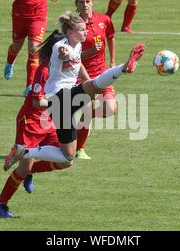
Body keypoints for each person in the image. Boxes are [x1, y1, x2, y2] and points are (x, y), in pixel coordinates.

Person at [4, 11, 145, 175]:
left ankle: (24, 152)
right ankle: (123, 68)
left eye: (85, 29)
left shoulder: (78, 45)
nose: (86, 32)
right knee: (95, 86)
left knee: (68, 156)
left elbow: (77, 60)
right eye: (81, 30)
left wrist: (84, 75)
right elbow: (65, 53)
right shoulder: (61, 46)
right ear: (70, 32)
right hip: (58, 97)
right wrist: (66, 54)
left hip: (64, 103)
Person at [0, 31, 74, 218]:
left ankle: (30, 171)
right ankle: (1, 203)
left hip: (50, 120)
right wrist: (60, 99)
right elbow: (37, 102)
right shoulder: (44, 70)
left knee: (67, 160)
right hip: (30, 122)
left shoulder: (65, 67)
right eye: (64, 46)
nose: (67, 50)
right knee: (23, 168)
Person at [75, 0, 117, 159]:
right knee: (86, 108)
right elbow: (72, 56)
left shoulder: (104, 20)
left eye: (88, 1)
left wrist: (112, 61)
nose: (85, 5)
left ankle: (85, 117)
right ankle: (80, 149)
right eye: (81, 2)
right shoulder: (73, 26)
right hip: (81, 75)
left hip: (102, 73)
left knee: (110, 109)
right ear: (76, 4)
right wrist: (91, 51)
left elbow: (111, 37)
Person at [3, 0, 57, 94]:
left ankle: (30, 86)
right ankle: (10, 62)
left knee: (34, 49)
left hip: (38, 14)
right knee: (16, 46)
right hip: (20, 13)